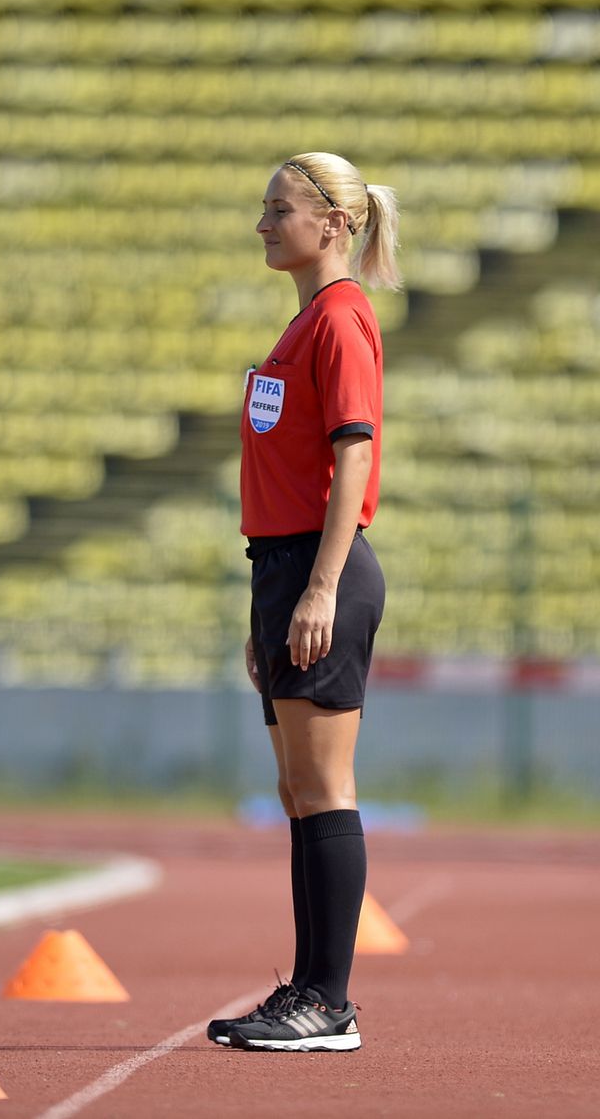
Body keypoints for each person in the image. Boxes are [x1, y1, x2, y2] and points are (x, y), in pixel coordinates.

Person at [207, 152, 400, 1053]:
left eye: (278, 209)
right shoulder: (306, 323)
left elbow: (354, 454)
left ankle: (329, 1002)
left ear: (333, 223)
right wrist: (275, 604)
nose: (263, 224)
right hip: (281, 569)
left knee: (324, 787)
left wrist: (318, 587)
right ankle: (309, 992)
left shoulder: (340, 318)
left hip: (321, 569)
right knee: (297, 791)